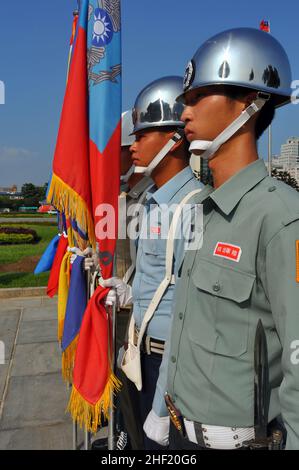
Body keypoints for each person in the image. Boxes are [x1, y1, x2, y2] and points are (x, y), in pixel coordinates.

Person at [152, 27, 299, 450]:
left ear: (249, 104)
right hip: (180, 433)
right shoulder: (203, 210)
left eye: (199, 96)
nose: (184, 112)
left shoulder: (281, 219)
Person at [102, 76, 203, 449]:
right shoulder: (151, 203)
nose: (135, 145)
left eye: (144, 135)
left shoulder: (193, 206)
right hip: (141, 352)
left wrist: (162, 404)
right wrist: (129, 292)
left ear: (174, 139)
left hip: (169, 365)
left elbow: (186, 312)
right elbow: (157, 277)